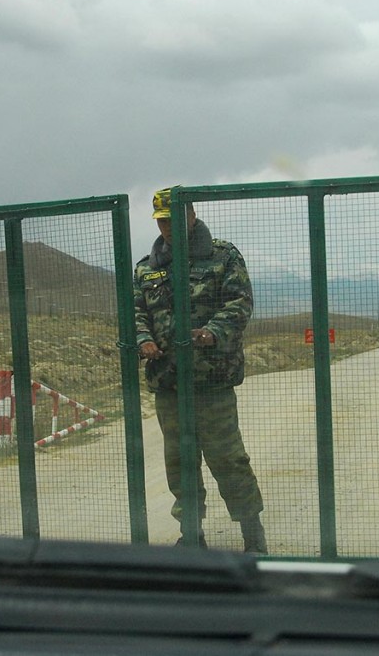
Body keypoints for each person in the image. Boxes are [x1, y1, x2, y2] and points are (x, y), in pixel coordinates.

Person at [133, 187, 267, 553]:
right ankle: (191, 535)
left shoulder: (222, 256)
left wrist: (213, 332)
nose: (167, 228)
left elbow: (240, 302)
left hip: (212, 379)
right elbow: (137, 312)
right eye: (161, 221)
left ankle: (252, 533)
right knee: (180, 462)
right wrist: (144, 338)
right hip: (169, 381)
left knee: (228, 458)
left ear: (191, 216)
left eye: (173, 219)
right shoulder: (147, 268)